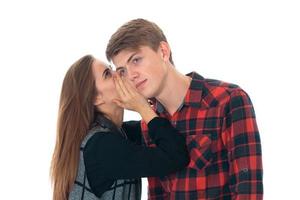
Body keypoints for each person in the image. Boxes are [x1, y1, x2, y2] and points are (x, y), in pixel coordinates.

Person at [105, 18, 263, 199]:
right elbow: (157, 195)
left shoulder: (227, 99)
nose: (132, 75)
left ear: (163, 52)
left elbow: (249, 191)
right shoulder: (150, 120)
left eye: (136, 60)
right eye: (123, 70)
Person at [50, 55, 190, 200]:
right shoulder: (102, 147)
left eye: (111, 69)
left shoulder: (119, 134)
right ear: (96, 98)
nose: (118, 73)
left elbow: (162, 128)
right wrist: (143, 108)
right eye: (107, 74)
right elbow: (176, 156)